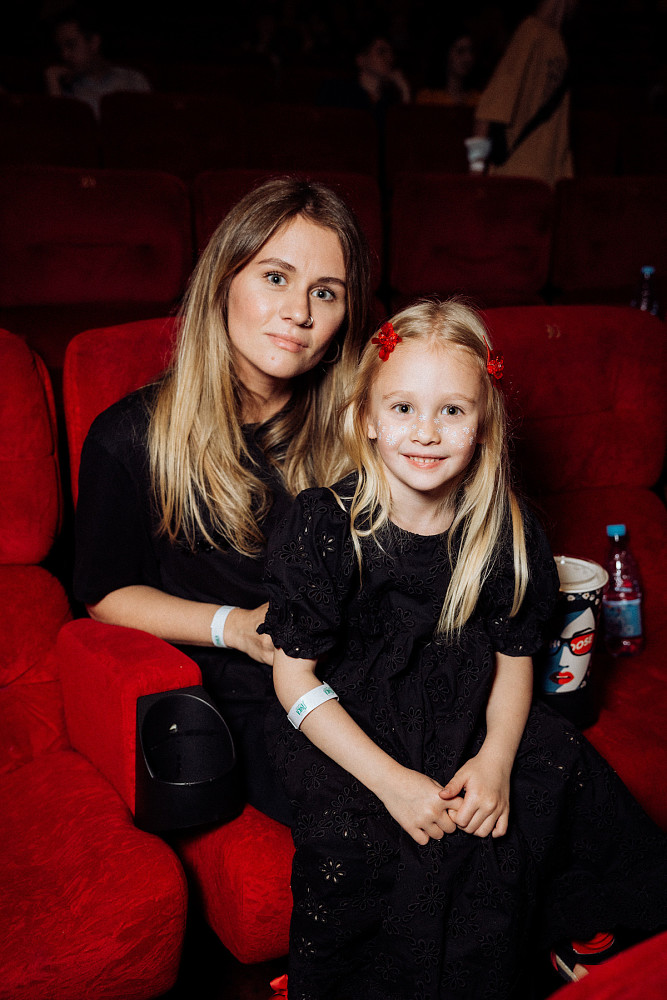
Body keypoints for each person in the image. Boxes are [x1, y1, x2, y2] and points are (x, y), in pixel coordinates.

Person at [260, 299, 667, 999]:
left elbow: (516, 661)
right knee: (365, 842)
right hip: (347, 727)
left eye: (451, 410)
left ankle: (576, 943)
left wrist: (496, 761)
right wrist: (392, 783)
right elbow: (294, 679)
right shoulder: (323, 525)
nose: (426, 431)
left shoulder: (505, 529)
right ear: (366, 417)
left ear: (482, 426)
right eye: (403, 408)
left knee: (555, 764)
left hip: (464, 708)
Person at [73, 177, 372, 827]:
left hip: (369, 680)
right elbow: (104, 595)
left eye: (325, 292)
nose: (299, 311)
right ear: (223, 282)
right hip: (252, 701)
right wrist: (233, 627)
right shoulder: (128, 435)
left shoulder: (369, 424)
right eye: (275, 278)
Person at [466, 0, 577, 184]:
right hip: (516, 181)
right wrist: (475, 174)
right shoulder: (530, 33)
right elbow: (487, 111)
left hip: (544, 182)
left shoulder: (557, 42)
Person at [44, 6, 151, 118]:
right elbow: (59, 125)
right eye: (60, 49)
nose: (64, 55)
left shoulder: (132, 80)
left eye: (71, 45)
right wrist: (53, 83)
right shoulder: (66, 89)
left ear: (93, 43)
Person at [416, 27, 481, 108]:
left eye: (471, 51)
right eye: (460, 51)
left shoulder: (477, 99)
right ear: (445, 54)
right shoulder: (428, 98)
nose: (468, 58)